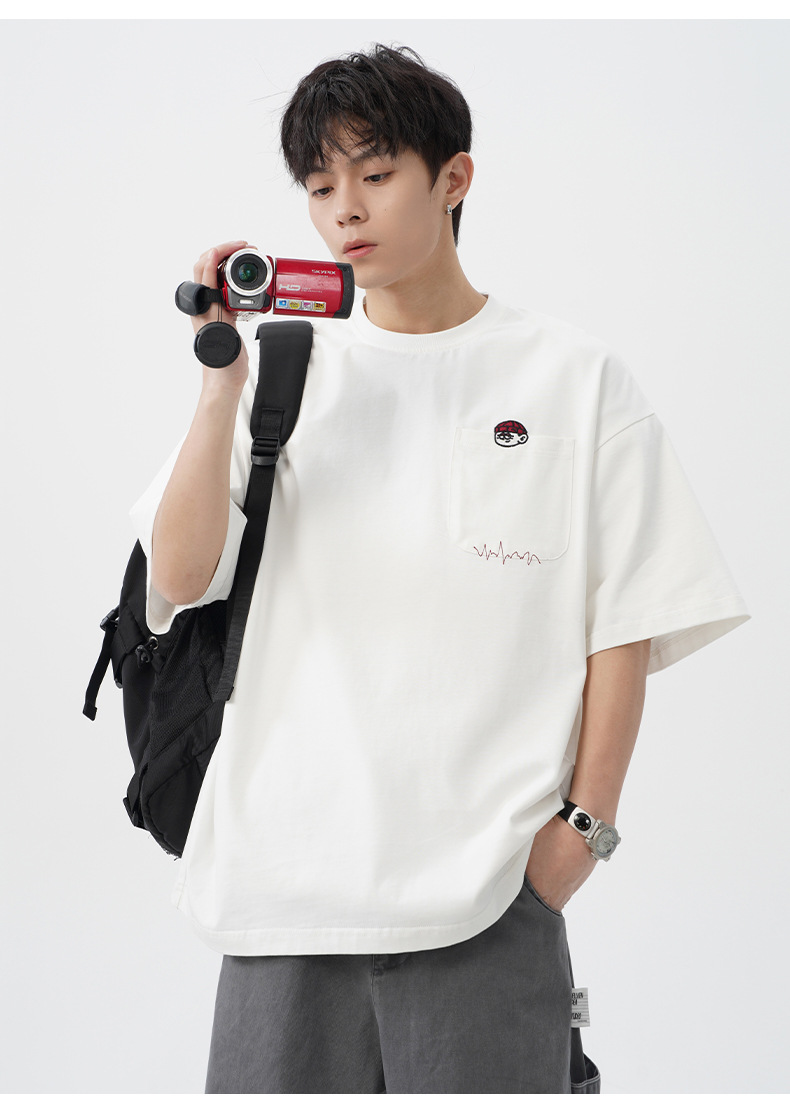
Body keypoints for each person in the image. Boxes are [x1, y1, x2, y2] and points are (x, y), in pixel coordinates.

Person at [129, 43, 750, 1094]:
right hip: (278, 891)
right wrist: (219, 383)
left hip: (486, 897)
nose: (344, 211)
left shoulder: (572, 377)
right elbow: (181, 578)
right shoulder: (282, 374)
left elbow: (623, 621)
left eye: (374, 174)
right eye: (319, 187)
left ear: (452, 178)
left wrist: (580, 835)